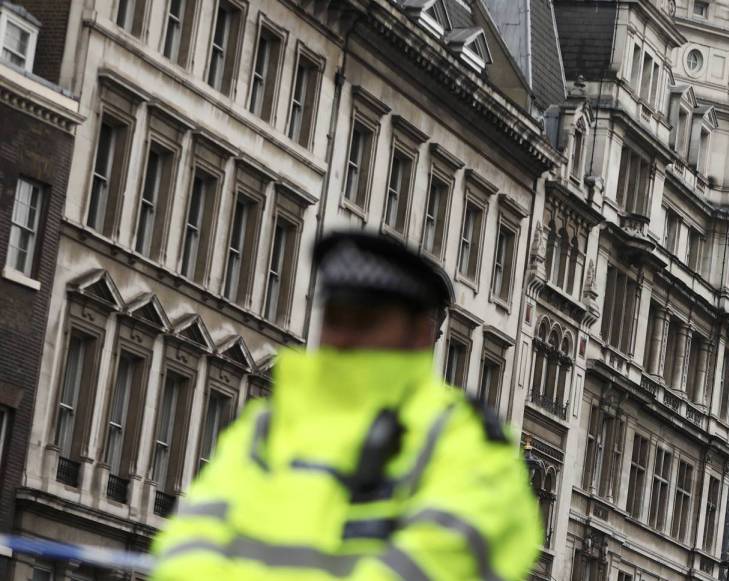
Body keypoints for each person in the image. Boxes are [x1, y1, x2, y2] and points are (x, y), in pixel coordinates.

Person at [150, 231, 542, 581]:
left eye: (366, 321)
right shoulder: (271, 426)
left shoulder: (464, 439)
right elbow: (191, 539)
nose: (343, 336)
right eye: (335, 317)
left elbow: (446, 555)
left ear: (419, 335)